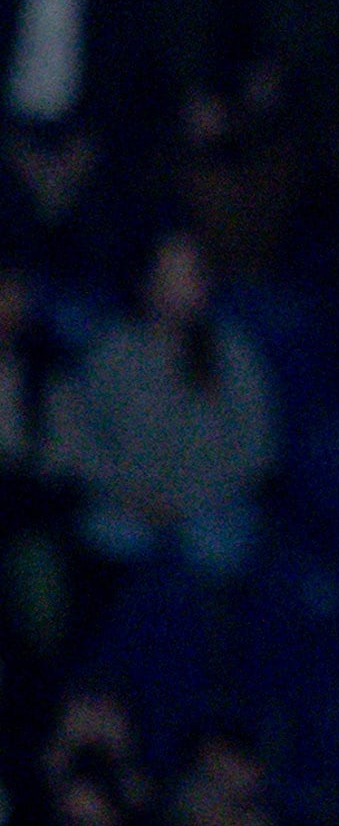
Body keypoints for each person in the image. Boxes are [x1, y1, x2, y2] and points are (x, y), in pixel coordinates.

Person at [54, 231, 274, 586]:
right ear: (147, 282)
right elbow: (81, 439)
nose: (185, 286)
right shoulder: (109, 353)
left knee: (216, 546)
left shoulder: (232, 351)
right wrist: (126, 493)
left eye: (192, 274)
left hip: (210, 504)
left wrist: (190, 498)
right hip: (127, 503)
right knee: (104, 538)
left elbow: (256, 445)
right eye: (172, 274)